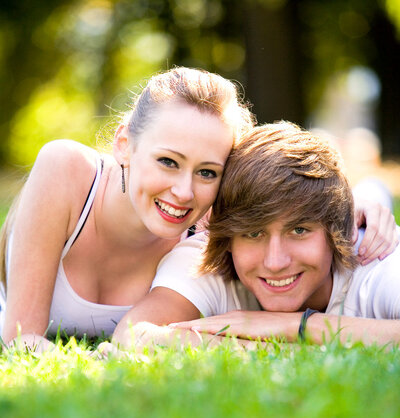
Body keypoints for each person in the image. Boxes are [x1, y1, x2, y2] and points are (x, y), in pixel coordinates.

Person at [0, 66, 255, 350]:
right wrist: (95, 376)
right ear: (123, 145)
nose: (184, 192)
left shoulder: (207, 228)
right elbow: (20, 338)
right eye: (168, 162)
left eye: (207, 172)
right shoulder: (66, 170)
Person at [108, 121, 400, 351]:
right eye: (253, 233)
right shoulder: (204, 263)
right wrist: (291, 349)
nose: (275, 262)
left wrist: (301, 327)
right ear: (227, 239)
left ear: (337, 232)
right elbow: (133, 333)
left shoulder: (376, 257)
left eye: (299, 230)